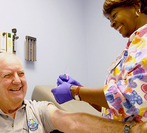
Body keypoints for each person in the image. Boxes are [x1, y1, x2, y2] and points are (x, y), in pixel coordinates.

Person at [0, 52, 147, 133]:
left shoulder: (38, 110)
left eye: (21, 73)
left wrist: (130, 129)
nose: (18, 80)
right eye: (7, 75)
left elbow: (74, 122)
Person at [51, 0, 147, 132]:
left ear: (137, 6)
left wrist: (75, 91)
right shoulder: (132, 49)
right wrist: (81, 91)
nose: (112, 24)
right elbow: (114, 107)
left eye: (114, 15)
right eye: (109, 20)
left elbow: (130, 98)